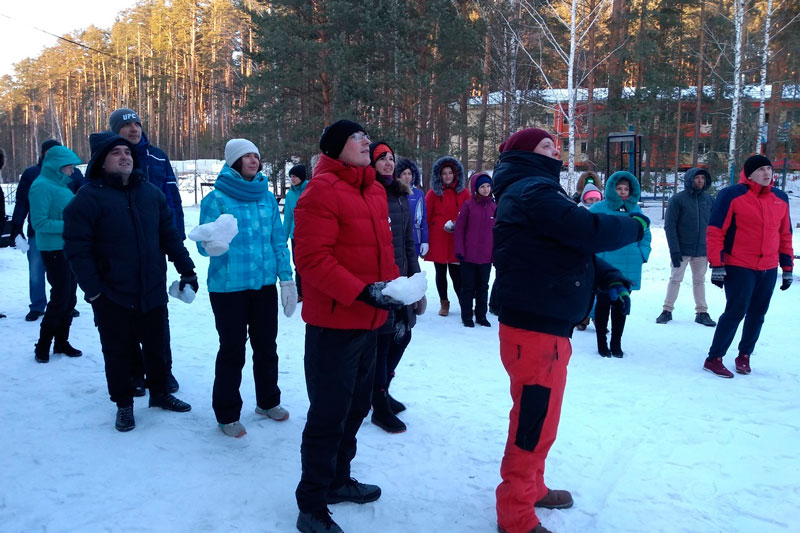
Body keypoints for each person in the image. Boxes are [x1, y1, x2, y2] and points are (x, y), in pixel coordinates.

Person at [491, 128, 650, 533]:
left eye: (555, 145)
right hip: (534, 326)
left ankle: (533, 486)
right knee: (533, 423)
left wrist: (610, 276)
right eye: (546, 146)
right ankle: (515, 513)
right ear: (526, 153)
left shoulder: (537, 190)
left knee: (541, 419)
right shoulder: (532, 190)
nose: (555, 150)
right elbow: (588, 232)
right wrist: (632, 225)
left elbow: (570, 248)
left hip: (545, 323)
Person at [293, 120, 404, 533]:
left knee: (357, 408)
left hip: (371, 322)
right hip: (334, 326)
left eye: (366, 137)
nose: (366, 142)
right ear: (337, 149)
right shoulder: (319, 191)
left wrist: (394, 294)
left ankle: (338, 480)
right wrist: (363, 293)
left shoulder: (374, 188)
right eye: (357, 138)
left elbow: (383, 253)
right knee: (328, 415)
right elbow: (313, 261)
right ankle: (311, 506)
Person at [63, 132, 195, 432]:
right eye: (116, 153)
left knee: (158, 346)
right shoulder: (88, 198)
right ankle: (124, 404)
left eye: (127, 152)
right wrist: (95, 292)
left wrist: (187, 269)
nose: (125, 156)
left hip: (151, 289)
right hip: (112, 294)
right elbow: (76, 249)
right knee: (118, 352)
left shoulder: (150, 193)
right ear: (101, 162)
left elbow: (169, 236)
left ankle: (160, 393)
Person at [198, 139, 296, 438]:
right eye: (247, 156)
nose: (254, 160)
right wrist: (211, 246)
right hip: (228, 286)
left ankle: (268, 402)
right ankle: (227, 413)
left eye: (256, 155)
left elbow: (277, 240)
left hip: (263, 284)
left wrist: (286, 278)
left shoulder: (266, 198)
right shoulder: (216, 199)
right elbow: (204, 242)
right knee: (232, 349)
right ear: (233, 162)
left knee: (267, 347)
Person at [109, 107, 184, 393]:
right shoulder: (110, 159)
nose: (134, 129)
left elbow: (172, 196)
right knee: (125, 311)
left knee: (156, 312)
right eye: (127, 125)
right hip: (122, 248)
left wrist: (176, 234)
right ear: (115, 130)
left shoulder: (157, 156)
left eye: (138, 123)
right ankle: (134, 370)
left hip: (155, 244)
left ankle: (162, 371)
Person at [703, 154, 793, 378]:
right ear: (749, 173)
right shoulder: (732, 195)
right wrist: (717, 264)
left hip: (768, 266)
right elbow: (715, 230)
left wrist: (787, 267)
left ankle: (744, 355)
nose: (767, 173)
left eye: (769, 169)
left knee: (758, 314)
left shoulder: (780, 198)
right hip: (739, 264)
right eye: (761, 169)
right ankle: (714, 358)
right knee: (735, 312)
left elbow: (785, 235)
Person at [368, 141, 424, 434]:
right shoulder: (368, 193)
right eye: (381, 158)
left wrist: (416, 282)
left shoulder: (401, 195)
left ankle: (383, 388)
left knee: (404, 335)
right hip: (382, 282)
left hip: (402, 279)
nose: (388, 163)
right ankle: (378, 404)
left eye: (391, 158)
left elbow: (408, 241)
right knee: (383, 340)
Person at [12, 140, 84, 321]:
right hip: (39, 234)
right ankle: (37, 306)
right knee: (36, 271)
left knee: (69, 272)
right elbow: (22, 202)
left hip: (68, 237)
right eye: (49, 151)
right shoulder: (32, 174)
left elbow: (84, 198)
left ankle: (68, 304)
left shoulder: (73, 174)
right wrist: (16, 226)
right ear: (43, 154)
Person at [28, 146, 83, 363]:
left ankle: (62, 342)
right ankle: (43, 345)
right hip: (53, 250)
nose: (72, 172)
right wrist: (71, 226)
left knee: (69, 297)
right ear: (56, 167)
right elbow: (39, 222)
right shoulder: (40, 187)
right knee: (60, 298)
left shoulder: (61, 186)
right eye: (69, 167)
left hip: (68, 248)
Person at [589, 171, 652, 357]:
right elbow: (588, 232)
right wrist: (598, 255)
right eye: (619, 188)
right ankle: (602, 343)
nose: (623, 192)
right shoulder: (599, 209)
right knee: (602, 305)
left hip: (628, 266)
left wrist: (642, 253)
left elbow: (646, 235)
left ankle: (616, 344)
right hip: (605, 265)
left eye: (626, 189)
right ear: (611, 189)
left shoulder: (636, 211)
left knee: (621, 306)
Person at [656, 167, 716, 327]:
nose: (700, 181)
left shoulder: (709, 200)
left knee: (699, 281)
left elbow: (713, 227)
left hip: (701, 250)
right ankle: (667, 310)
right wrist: (674, 250)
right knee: (675, 279)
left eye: (703, 178)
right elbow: (670, 226)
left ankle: (702, 312)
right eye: (697, 178)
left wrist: (712, 249)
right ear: (690, 179)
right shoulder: (678, 199)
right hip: (681, 249)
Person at [425, 155, 470, 316]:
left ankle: (463, 302)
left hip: (455, 238)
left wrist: (458, 224)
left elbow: (468, 214)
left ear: (455, 173)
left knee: (457, 274)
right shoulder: (432, 194)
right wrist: (426, 238)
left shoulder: (464, 193)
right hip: (438, 238)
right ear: (439, 175)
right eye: (444, 173)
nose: (447, 176)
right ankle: (444, 303)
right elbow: (426, 217)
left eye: (450, 173)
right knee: (440, 273)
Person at [454, 171, 496, 328]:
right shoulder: (468, 206)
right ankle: (467, 316)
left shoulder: (494, 207)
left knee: (483, 288)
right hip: (468, 256)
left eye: (488, 186)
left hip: (486, 257)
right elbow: (459, 229)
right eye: (482, 186)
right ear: (475, 188)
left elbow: (497, 233)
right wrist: (459, 250)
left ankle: (481, 316)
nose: (485, 189)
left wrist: (495, 254)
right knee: (468, 288)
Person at [282, 164, 308, 302]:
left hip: (311, 235)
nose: (292, 179)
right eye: (291, 176)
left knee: (312, 263)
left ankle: (313, 291)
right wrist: (282, 239)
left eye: (295, 176)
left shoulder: (311, 189)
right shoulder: (290, 194)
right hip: (295, 235)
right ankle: (301, 292)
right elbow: (287, 218)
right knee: (298, 264)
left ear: (302, 177)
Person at [395, 157, 429, 258]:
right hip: (398, 238)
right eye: (404, 173)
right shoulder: (394, 192)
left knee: (413, 270)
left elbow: (423, 218)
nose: (407, 176)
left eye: (409, 173)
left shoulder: (418, 194)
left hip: (415, 239)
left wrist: (424, 241)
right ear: (399, 175)